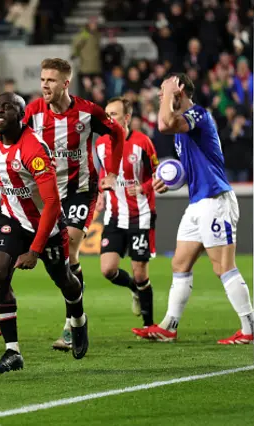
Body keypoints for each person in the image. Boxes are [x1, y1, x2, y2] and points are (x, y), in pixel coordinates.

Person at [0, 92, 89, 374]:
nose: (0, 111)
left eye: (8, 107)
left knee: (64, 279)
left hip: (45, 226)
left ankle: (79, 319)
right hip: (12, 219)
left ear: (21, 115)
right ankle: (13, 352)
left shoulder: (34, 149)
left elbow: (52, 203)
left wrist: (35, 250)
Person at [133, 74, 254, 344]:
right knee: (180, 262)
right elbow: (191, 168)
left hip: (215, 200)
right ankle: (169, 326)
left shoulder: (198, 115)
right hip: (197, 202)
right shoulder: (182, 129)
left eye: (164, 93)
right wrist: (172, 180)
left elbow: (164, 123)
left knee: (223, 266)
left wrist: (169, 91)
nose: (161, 98)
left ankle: (250, 328)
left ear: (180, 91)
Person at [23, 58, 125, 351]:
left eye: (51, 80)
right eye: (42, 79)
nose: (45, 85)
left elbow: (116, 133)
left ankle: (72, 324)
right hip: (48, 195)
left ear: (66, 83)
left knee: (68, 249)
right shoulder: (33, 112)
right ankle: (76, 316)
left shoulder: (87, 111)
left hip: (80, 190)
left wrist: (113, 172)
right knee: (64, 261)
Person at [95, 97, 158, 330]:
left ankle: (149, 325)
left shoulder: (143, 143)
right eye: (106, 114)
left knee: (140, 272)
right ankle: (133, 289)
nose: (108, 119)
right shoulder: (101, 143)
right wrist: (100, 193)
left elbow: (158, 174)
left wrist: (143, 187)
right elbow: (102, 174)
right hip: (113, 215)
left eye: (114, 114)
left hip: (140, 215)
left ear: (127, 118)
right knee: (107, 269)